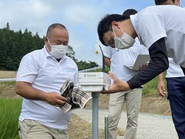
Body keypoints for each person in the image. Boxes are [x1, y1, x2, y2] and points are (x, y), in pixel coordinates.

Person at [97, 5, 185, 93]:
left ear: (116, 25)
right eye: (113, 46)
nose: (117, 45)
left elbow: (160, 61)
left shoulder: (144, 19)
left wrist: (128, 85)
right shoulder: (142, 32)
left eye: (112, 41)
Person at [15, 23, 79, 139]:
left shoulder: (72, 64)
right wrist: (46, 96)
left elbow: (75, 89)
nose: (62, 46)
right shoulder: (33, 58)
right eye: (58, 42)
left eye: (65, 43)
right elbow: (20, 87)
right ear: (46, 40)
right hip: (36, 124)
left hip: (62, 128)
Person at [103, 9, 148, 139]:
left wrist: (143, 67)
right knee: (112, 117)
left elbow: (146, 58)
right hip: (117, 84)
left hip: (135, 84)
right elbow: (106, 58)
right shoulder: (113, 37)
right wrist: (114, 68)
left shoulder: (141, 39)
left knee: (133, 119)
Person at [154, 0, 185, 138]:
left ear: (177, 1)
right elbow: (160, 55)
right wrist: (160, 80)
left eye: (168, 4)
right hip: (173, 77)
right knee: (179, 119)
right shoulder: (159, 24)